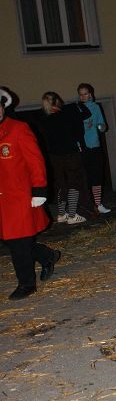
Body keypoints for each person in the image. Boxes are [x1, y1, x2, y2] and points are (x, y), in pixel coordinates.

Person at [0, 88, 61, 300]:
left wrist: (39, 190)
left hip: (19, 197)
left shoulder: (18, 129)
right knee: (12, 240)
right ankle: (47, 255)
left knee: (17, 242)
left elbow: (36, 162)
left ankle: (26, 284)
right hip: (2, 200)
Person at [33, 92, 89, 224]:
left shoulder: (43, 117)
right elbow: (81, 124)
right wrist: (79, 105)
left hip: (54, 155)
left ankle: (61, 214)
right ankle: (72, 215)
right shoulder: (66, 114)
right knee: (73, 183)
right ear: (57, 101)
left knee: (60, 184)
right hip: (70, 153)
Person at [77, 83, 110, 214]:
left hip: (95, 146)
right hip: (82, 148)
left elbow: (102, 124)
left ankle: (98, 203)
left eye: (85, 93)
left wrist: (102, 127)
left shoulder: (95, 107)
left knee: (97, 175)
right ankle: (88, 204)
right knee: (85, 177)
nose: (83, 96)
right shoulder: (77, 109)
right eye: (81, 94)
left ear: (90, 94)